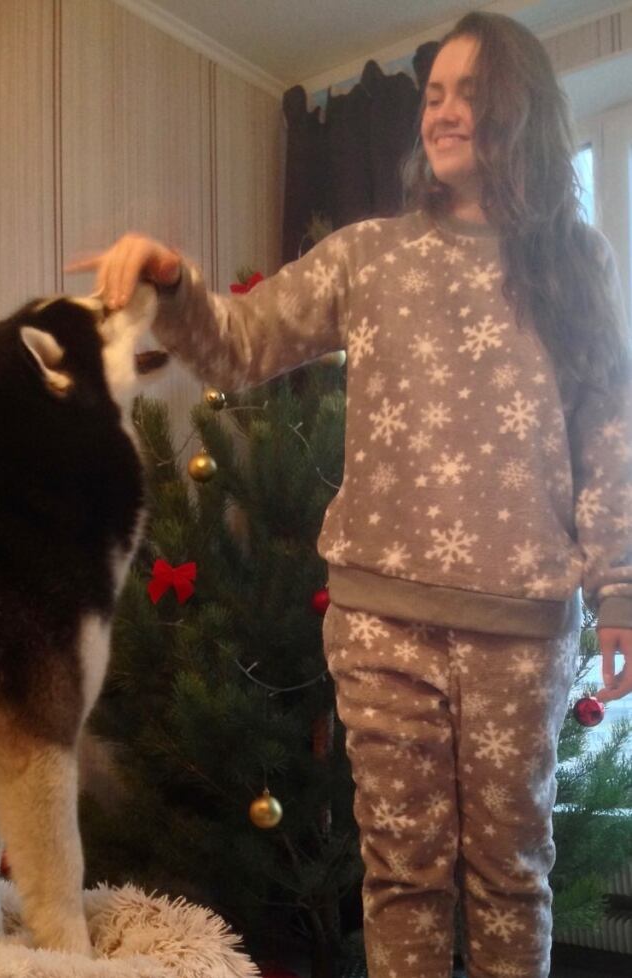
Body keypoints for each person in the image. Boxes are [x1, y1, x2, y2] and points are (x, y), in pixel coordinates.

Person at [70, 11, 632, 978]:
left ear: (521, 109)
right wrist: (171, 280)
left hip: (525, 624)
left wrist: (618, 590)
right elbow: (239, 346)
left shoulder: (576, 261)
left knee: (511, 880)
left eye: (469, 92)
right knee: (403, 880)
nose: (443, 112)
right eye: (434, 95)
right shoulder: (368, 256)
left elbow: (608, 431)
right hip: (382, 625)